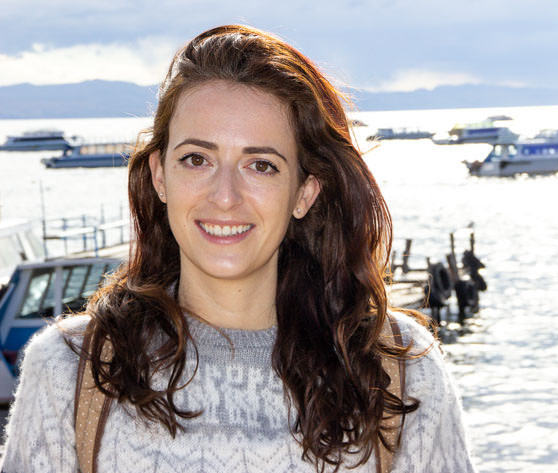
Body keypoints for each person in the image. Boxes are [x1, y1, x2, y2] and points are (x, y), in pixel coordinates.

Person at [0, 25, 475, 473]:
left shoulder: (401, 374)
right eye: (196, 159)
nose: (224, 196)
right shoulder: (70, 371)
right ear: (159, 176)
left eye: (261, 165)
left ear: (305, 192)